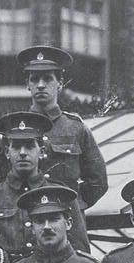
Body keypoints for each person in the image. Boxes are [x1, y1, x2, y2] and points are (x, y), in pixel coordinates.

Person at [0, 113, 92, 260]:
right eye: (16, 147)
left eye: (30, 146)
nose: (23, 153)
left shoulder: (62, 194)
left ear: (42, 152)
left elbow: (80, 252)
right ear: (7, 152)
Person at [18, 46, 107, 207]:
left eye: (47, 79)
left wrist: (74, 206)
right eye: (34, 79)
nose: (40, 85)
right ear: (27, 84)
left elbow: (98, 181)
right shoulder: (16, 129)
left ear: (60, 83)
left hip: (66, 220)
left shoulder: (76, 128)